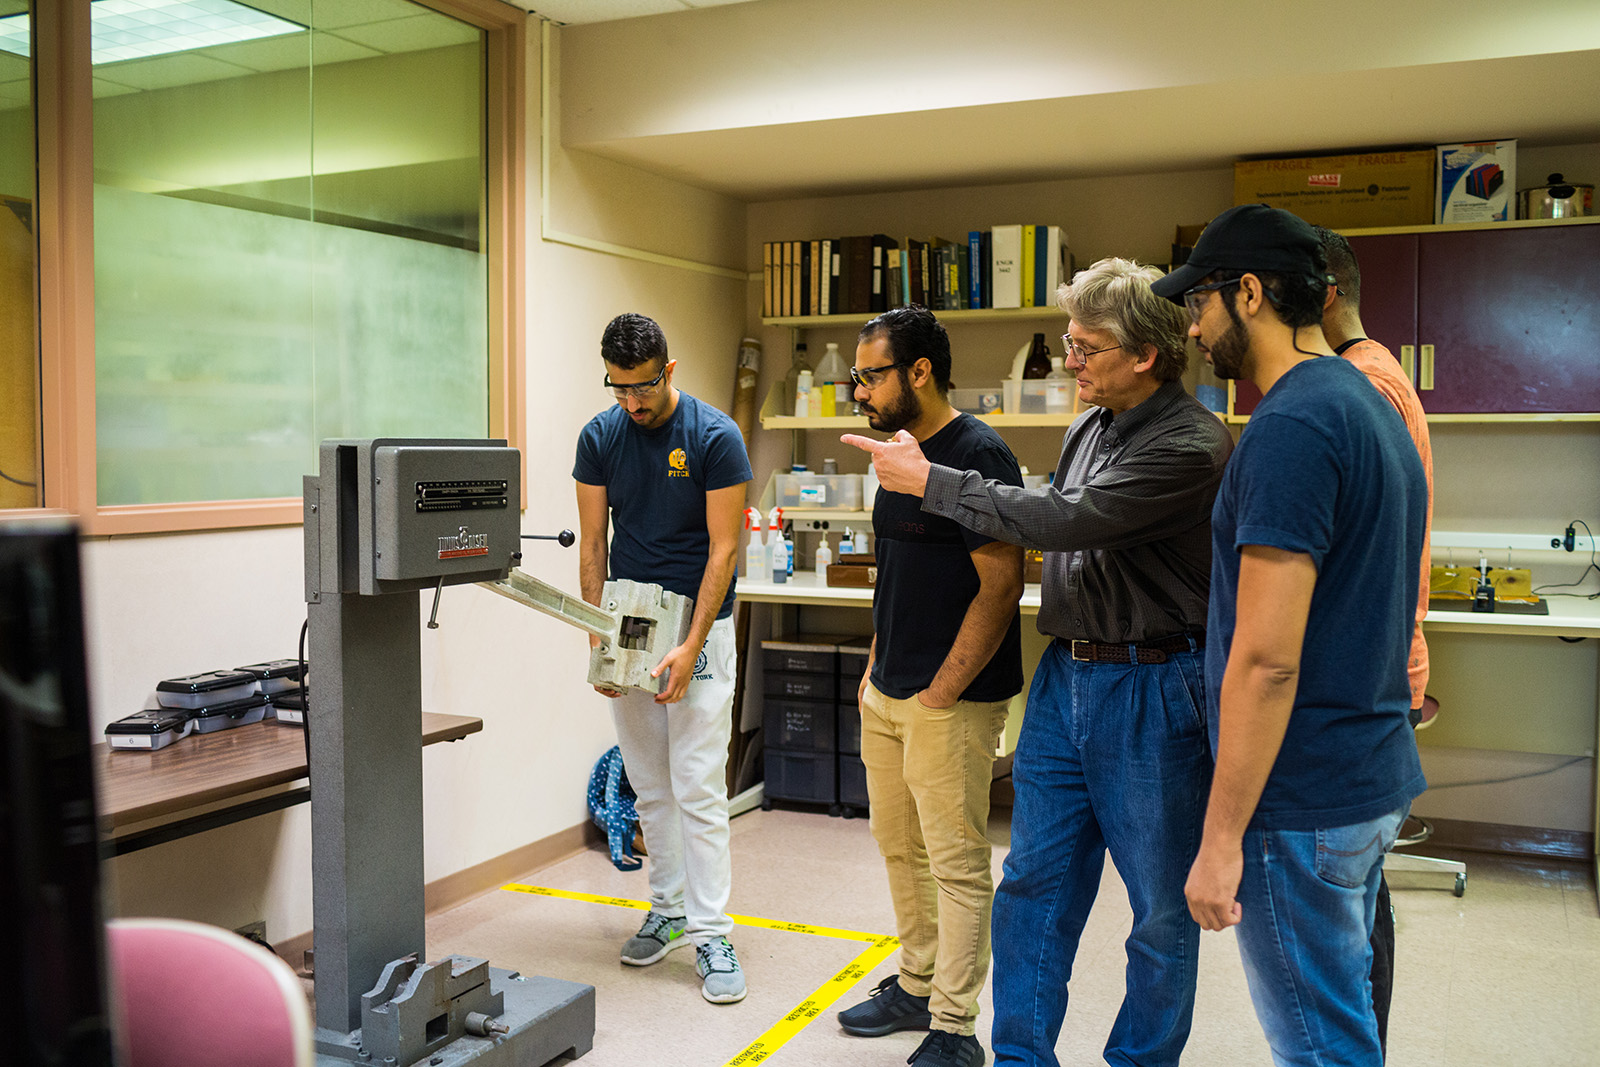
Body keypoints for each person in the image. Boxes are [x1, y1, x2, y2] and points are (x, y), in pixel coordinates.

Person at [848, 261, 1234, 1067]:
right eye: (1068, 342)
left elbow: (1067, 517)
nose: (1069, 360)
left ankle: (1138, 1059)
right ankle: (1020, 1055)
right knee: (1033, 888)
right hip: (1069, 677)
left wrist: (930, 481)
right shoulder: (1087, 425)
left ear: (1146, 357)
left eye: (1086, 347)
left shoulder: (1193, 444)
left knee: (1159, 909)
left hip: (1152, 687)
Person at [1155, 205, 1428, 1066]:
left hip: (1304, 795)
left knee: (1319, 1044)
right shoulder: (1371, 401)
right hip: (1367, 769)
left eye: (1199, 303)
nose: (1194, 328)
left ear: (1249, 292)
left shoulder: (1291, 427)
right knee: (1343, 1020)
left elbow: (1268, 660)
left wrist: (1221, 837)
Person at [833, 305, 1024, 1067]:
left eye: (871, 375)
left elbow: (1001, 584)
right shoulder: (894, 453)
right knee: (897, 845)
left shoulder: (979, 454)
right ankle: (915, 983)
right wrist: (878, 666)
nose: (859, 393)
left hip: (953, 698)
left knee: (956, 859)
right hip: (890, 687)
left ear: (920, 372)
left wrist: (943, 689)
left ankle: (954, 1025)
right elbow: (897, 568)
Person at [573, 312, 753, 1005]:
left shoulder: (715, 437)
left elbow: (724, 550)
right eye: (619, 389)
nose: (632, 403)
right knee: (649, 783)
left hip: (700, 619)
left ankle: (711, 932)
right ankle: (669, 908)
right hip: (629, 618)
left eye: (642, 388)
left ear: (668, 371)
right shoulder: (599, 435)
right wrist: (599, 641)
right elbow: (592, 546)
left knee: (698, 783)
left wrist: (693, 643)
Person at [1317, 224, 1436, 1060]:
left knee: (1346, 914)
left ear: (1320, 292)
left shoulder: (1364, 388)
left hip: (1369, 676)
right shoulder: (1372, 377)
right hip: (1378, 665)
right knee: (1359, 899)